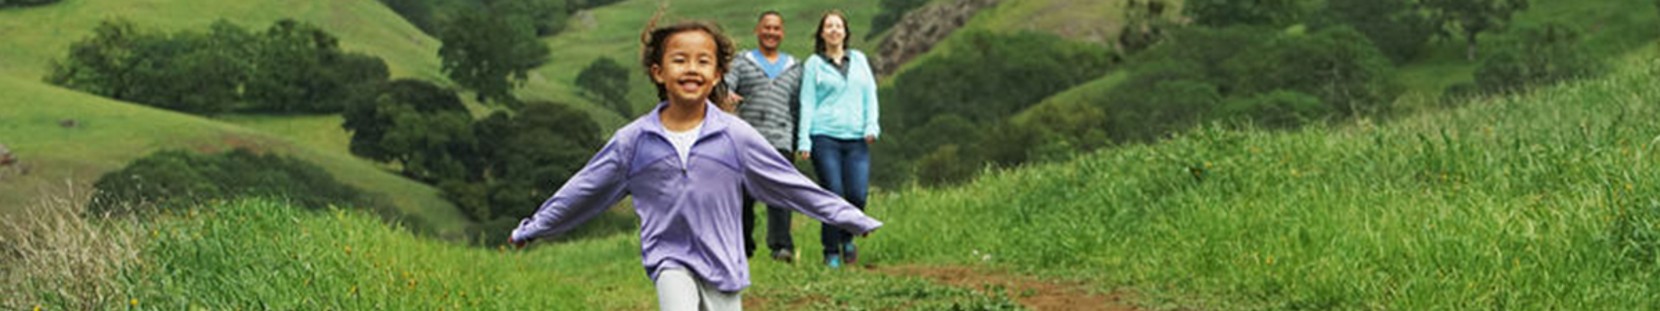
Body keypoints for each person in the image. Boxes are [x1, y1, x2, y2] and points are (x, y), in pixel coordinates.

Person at [508, 19, 882, 311]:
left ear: (717, 74)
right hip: (668, 255)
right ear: (658, 72)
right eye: (680, 60)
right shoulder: (633, 141)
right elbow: (585, 189)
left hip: (723, 261)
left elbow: (790, 184)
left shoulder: (735, 135)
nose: (692, 69)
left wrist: (851, 217)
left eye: (703, 61)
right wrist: (534, 227)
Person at [796, 10, 880, 269]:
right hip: (824, 136)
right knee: (833, 194)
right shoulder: (813, 64)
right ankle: (831, 251)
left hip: (856, 137)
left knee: (857, 194)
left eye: (838, 26)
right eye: (829, 26)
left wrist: (871, 124)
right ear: (822, 33)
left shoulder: (860, 60)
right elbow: (807, 102)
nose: (834, 30)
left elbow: (870, 94)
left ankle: (847, 238)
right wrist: (804, 140)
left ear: (845, 32)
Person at [724, 10, 807, 263]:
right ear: (757, 31)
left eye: (776, 29)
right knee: (743, 197)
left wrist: (797, 142)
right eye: (767, 28)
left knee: (780, 194)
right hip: (746, 139)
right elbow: (726, 83)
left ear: (782, 33)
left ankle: (782, 247)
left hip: (781, 138)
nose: (771, 32)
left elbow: (799, 106)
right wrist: (727, 92)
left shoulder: (795, 67)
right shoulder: (743, 61)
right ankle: (742, 247)